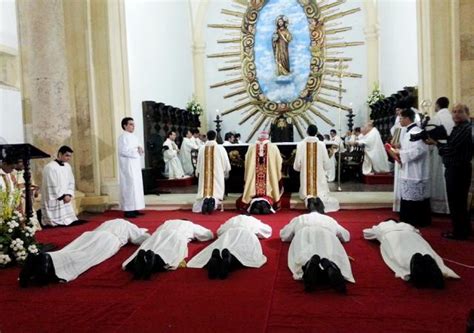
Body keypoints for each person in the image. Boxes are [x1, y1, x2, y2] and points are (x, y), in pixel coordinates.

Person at [19, 219, 149, 287]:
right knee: (84, 257)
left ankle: (40, 261)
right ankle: (47, 263)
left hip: (90, 235)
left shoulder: (109, 222)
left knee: (71, 250)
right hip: (108, 240)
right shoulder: (129, 225)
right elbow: (139, 238)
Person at [363, 219, 459, 288]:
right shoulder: (406, 224)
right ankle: (432, 266)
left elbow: (366, 233)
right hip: (412, 236)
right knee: (424, 250)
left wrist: (377, 233)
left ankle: (416, 270)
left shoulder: (381, 226)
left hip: (391, 236)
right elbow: (418, 232)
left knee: (400, 254)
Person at [280, 211, 354, 293]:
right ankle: (331, 266)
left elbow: (285, 235)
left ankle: (308, 266)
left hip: (304, 233)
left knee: (303, 254)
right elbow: (345, 235)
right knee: (332, 254)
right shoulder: (330, 219)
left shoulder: (299, 218)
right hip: (327, 234)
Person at [428, 103, 472, 240]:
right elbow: (451, 144)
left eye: (460, 112)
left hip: (458, 169)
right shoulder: (458, 128)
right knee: (458, 201)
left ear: (467, 113)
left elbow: (451, 149)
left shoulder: (465, 129)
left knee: (456, 201)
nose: (456, 114)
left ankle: (459, 232)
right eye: (454, 112)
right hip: (455, 168)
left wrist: (436, 143)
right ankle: (462, 228)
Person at [122, 219, 213, 280]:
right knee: (169, 253)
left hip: (158, 235)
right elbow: (207, 235)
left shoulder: (166, 222)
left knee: (151, 246)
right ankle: (157, 261)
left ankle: (137, 261)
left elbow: (157, 230)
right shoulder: (190, 224)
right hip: (177, 236)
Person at [187, 215, 271, 279]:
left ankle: (216, 259)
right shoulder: (254, 220)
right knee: (245, 253)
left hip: (229, 233)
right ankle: (230, 260)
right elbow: (267, 231)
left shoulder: (232, 220)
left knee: (224, 246)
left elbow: (220, 231)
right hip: (247, 234)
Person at [387, 108, 431, 227]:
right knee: (409, 195)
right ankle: (408, 219)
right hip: (409, 169)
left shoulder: (416, 132)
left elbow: (419, 150)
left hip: (415, 170)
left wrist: (400, 153)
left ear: (407, 118)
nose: (399, 121)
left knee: (414, 197)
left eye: (401, 118)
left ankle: (414, 220)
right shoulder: (409, 132)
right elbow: (409, 148)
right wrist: (398, 149)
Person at [294, 124, 340, 213]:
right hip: (319, 180)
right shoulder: (322, 145)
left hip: (305, 181)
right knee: (320, 192)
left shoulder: (300, 145)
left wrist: (302, 168)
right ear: (316, 133)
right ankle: (317, 201)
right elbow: (327, 164)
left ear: (307, 132)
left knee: (307, 193)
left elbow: (296, 166)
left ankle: (310, 201)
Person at [240, 131, 282, 213]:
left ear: (258, 137)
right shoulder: (273, 147)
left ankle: (256, 205)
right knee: (269, 191)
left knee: (252, 192)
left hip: (253, 185)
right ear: (268, 137)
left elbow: (247, 163)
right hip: (269, 183)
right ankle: (265, 204)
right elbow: (279, 162)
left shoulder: (251, 147)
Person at [40, 146, 82, 227]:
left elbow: (71, 181)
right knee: (54, 222)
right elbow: (51, 184)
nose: (69, 158)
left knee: (69, 220)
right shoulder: (50, 167)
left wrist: (69, 194)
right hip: (55, 198)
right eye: (67, 155)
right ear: (59, 154)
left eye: (70, 156)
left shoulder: (67, 166)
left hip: (66, 196)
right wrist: (63, 196)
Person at [427, 97, 455, 214]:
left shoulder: (436, 118)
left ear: (437, 105)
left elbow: (430, 136)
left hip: (439, 150)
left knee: (438, 178)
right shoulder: (453, 117)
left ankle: (439, 207)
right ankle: (451, 207)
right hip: (453, 151)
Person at [193, 130, 231, 214]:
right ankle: (213, 201)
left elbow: (198, 162)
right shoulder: (220, 148)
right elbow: (225, 162)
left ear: (207, 136)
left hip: (205, 175)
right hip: (217, 173)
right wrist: (225, 170)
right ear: (215, 137)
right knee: (216, 190)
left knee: (205, 190)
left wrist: (198, 171)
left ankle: (205, 200)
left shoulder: (202, 148)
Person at [118, 117, 145, 219]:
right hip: (128, 166)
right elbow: (123, 151)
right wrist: (135, 151)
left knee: (136, 187)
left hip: (135, 165)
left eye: (133, 124)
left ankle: (135, 208)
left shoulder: (134, 137)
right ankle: (128, 210)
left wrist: (140, 150)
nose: (133, 126)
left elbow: (139, 148)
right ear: (125, 126)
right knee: (129, 187)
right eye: (130, 124)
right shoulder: (122, 137)